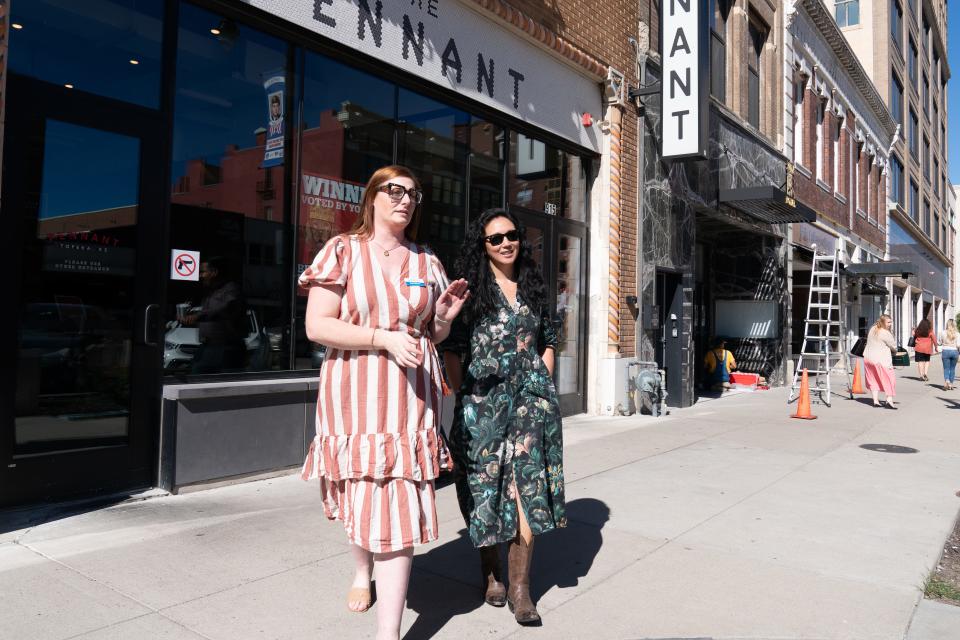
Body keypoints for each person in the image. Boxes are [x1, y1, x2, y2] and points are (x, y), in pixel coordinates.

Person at [298, 165, 469, 640]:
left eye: (414, 193)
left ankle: (387, 634)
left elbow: (430, 333)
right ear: (371, 197)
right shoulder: (343, 251)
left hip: (410, 399)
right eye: (394, 190)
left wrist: (445, 320)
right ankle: (360, 571)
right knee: (360, 493)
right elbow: (318, 326)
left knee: (396, 501)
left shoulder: (426, 261)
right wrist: (381, 338)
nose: (405, 200)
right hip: (354, 394)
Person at [441, 208, 566, 626]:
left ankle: (520, 588)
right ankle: (491, 569)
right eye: (495, 238)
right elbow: (453, 349)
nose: (505, 242)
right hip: (483, 407)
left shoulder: (533, 286)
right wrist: (466, 397)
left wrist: (541, 380)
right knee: (483, 490)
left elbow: (549, 338)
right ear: (483, 245)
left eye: (511, 235)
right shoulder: (472, 292)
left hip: (532, 404)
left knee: (526, 489)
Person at [182, 256, 247, 374]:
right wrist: (189, 316)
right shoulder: (211, 292)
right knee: (196, 374)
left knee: (200, 375)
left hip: (225, 348)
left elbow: (222, 309)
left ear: (214, 272)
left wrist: (197, 316)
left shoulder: (231, 289)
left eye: (203, 272)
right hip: (210, 346)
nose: (201, 276)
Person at [864, 314, 898, 409]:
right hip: (881, 360)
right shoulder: (885, 333)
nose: (891, 324)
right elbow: (894, 346)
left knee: (873, 379)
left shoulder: (872, 329)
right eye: (889, 322)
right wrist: (895, 351)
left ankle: (875, 401)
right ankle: (889, 400)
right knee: (890, 379)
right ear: (883, 322)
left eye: (891, 322)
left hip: (868, 358)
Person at [939, 319, 959, 390]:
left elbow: (939, 343)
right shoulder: (957, 334)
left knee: (946, 368)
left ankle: (947, 380)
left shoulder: (942, 332)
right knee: (952, 369)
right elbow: (958, 345)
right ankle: (951, 384)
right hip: (954, 351)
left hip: (945, 351)